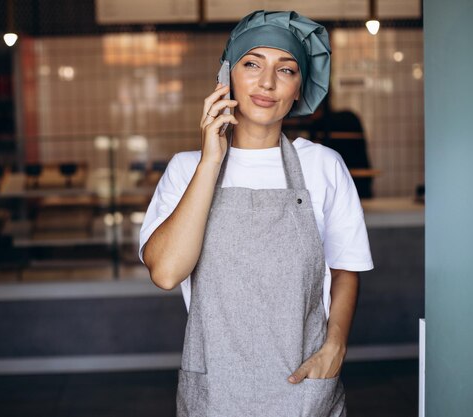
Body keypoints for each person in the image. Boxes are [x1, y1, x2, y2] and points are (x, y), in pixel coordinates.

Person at [139, 10, 373, 417]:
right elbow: (165, 272)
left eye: (286, 70)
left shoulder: (323, 166)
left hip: (304, 389)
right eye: (252, 64)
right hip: (216, 392)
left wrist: (334, 348)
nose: (267, 83)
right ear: (227, 76)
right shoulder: (186, 168)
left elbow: (345, 269)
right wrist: (210, 161)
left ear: (300, 88)